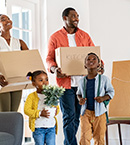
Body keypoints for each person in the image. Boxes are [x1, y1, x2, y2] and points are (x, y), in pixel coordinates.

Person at [46, 7, 103, 145]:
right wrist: (54, 69)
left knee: (77, 116)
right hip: (65, 84)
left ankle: (69, 143)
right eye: (73, 16)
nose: (76, 19)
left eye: (77, 16)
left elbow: (94, 55)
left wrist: (101, 64)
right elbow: (49, 59)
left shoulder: (85, 36)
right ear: (65, 18)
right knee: (68, 116)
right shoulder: (55, 37)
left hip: (83, 84)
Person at [0, 14, 29, 112]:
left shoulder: (19, 42)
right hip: (1, 81)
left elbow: (28, 60)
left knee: (13, 114)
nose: (8, 20)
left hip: (17, 81)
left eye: (9, 19)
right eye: (3, 20)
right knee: (4, 115)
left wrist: (29, 77)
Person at [77, 53, 114, 145]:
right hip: (85, 113)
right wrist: (80, 99)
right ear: (85, 65)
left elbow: (111, 92)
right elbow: (79, 94)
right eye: (88, 60)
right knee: (85, 137)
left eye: (94, 59)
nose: (91, 61)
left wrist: (103, 98)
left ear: (99, 64)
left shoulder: (104, 79)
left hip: (100, 113)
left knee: (99, 138)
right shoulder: (82, 81)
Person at [24, 70, 60, 145]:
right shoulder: (32, 96)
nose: (45, 82)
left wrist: (56, 110)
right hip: (38, 127)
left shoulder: (51, 94)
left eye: (46, 79)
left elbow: (56, 107)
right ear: (34, 84)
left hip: (51, 127)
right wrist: (40, 113)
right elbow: (26, 110)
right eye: (41, 80)